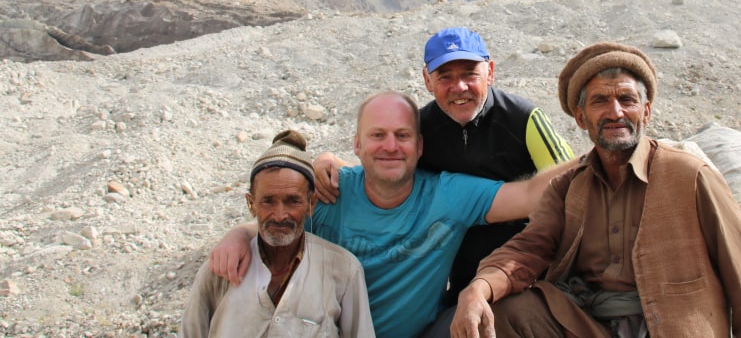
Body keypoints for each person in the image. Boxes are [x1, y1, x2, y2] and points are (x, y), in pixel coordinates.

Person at [451, 42, 741, 338]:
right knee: (506, 313)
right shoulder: (567, 187)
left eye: (627, 100)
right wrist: (480, 287)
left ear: (646, 111)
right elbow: (527, 249)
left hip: (675, 326)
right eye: (600, 101)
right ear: (581, 117)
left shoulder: (690, 176)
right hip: (592, 326)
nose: (615, 112)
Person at [211, 92, 569, 338]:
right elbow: (279, 222)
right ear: (357, 144)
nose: (391, 146)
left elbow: (529, 194)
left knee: (500, 316)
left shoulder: (448, 195)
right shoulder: (330, 192)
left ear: (420, 146)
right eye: (378, 135)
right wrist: (239, 235)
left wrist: (600, 152)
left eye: (402, 135)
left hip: (422, 333)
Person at [315, 27, 574, 304]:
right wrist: (333, 164)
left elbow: (572, 185)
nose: (459, 87)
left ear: (490, 72)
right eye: (445, 77)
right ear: (427, 80)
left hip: (530, 271)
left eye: (469, 74)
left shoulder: (523, 120)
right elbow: (387, 171)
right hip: (460, 279)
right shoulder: (421, 129)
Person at [181, 130, 374, 338]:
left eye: (292, 201)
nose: (280, 215)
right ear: (251, 204)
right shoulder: (221, 270)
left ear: (311, 204)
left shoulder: (343, 270)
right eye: (268, 201)